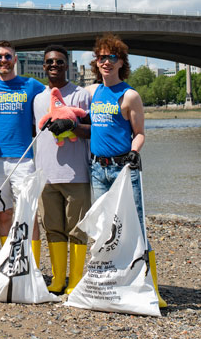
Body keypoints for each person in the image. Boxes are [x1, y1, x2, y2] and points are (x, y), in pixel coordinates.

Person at [83, 33, 166, 307]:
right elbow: (88, 123)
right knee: (104, 229)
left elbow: (140, 133)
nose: (105, 62)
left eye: (111, 57)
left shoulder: (130, 96)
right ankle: (111, 285)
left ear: (121, 62)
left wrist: (134, 151)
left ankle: (151, 289)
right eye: (101, 57)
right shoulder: (94, 92)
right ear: (96, 62)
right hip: (97, 169)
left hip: (123, 169)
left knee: (137, 228)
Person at [0, 40, 46, 265]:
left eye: (8, 56)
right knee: (4, 213)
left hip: (24, 160)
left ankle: (32, 267)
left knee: (30, 214)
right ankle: (9, 262)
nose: (4, 60)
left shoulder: (32, 85)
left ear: (15, 59)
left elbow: (55, 99)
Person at [32, 45, 91, 294]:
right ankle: (58, 279)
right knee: (52, 228)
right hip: (46, 176)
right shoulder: (37, 99)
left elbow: (94, 131)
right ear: (44, 66)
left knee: (77, 230)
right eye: (49, 62)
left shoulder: (81, 95)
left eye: (59, 62)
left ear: (67, 65)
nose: (54, 66)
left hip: (76, 174)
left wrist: (72, 126)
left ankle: (75, 281)